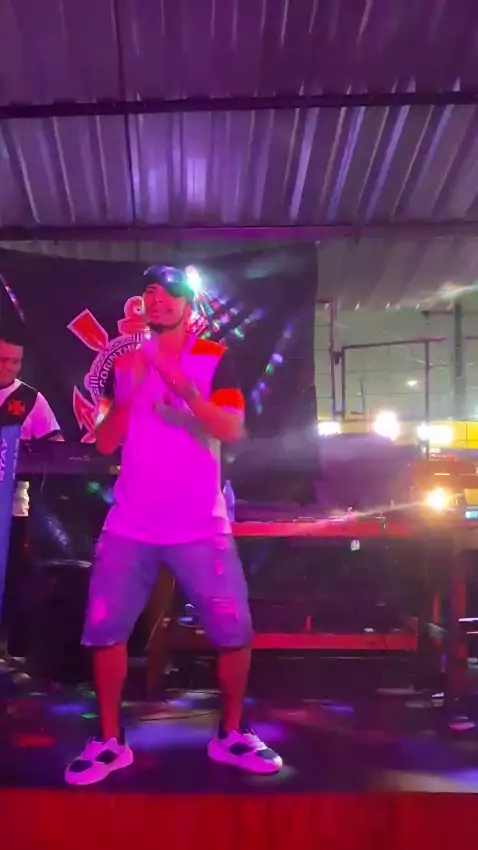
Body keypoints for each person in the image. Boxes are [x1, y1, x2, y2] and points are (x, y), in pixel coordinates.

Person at [65, 266, 282, 786]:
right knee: (105, 632)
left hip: (199, 522)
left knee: (233, 632)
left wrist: (186, 392)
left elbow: (232, 429)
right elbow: (105, 441)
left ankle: (232, 733)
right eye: (150, 293)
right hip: (131, 522)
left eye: (170, 294)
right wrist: (132, 391)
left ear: (188, 305)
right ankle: (109, 742)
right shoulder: (126, 363)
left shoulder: (214, 358)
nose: (158, 300)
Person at [0, 324, 62, 651]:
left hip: (13, 508)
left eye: (16, 362)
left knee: (12, 577)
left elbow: (56, 446)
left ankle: (8, 649)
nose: (9, 368)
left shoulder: (30, 400)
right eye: (3, 360)